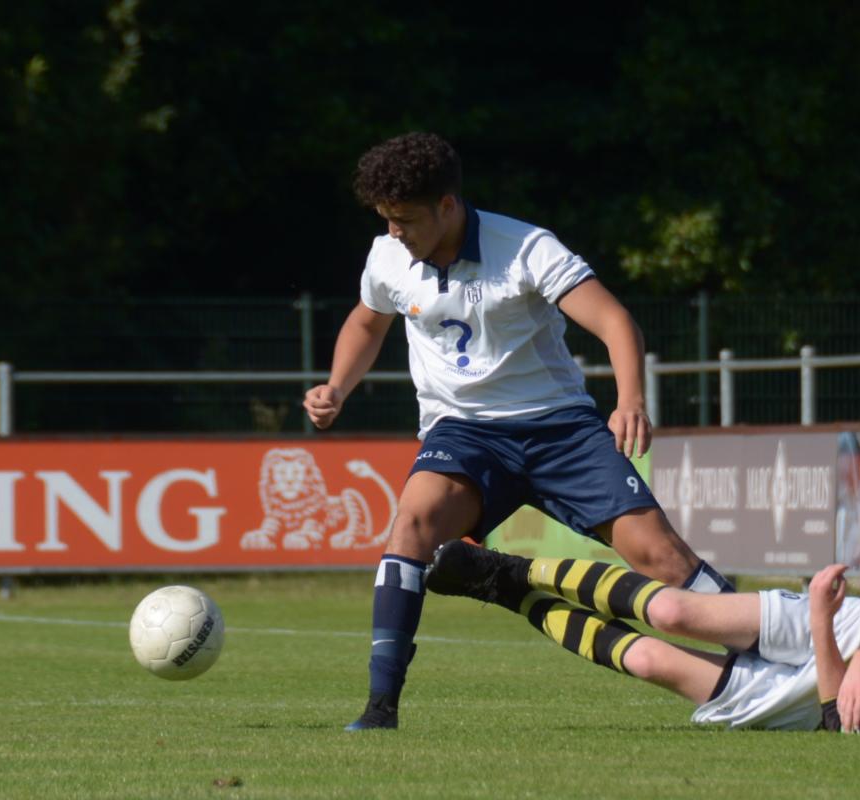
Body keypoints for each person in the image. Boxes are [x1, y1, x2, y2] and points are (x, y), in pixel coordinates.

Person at [304, 132, 733, 731]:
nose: (394, 232)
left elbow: (614, 320)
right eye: (386, 220)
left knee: (659, 556)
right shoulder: (387, 256)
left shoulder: (525, 246)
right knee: (412, 525)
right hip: (464, 433)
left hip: (561, 430)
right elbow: (366, 323)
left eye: (405, 220)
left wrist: (630, 399)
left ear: (448, 206)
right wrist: (336, 388)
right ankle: (380, 708)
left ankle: (770, 651)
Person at [426, 540, 860, 733]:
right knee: (676, 611)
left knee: (653, 660)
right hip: (845, 632)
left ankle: (505, 594)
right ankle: (512, 567)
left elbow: (836, 715)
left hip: (815, 700)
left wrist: (830, 640)